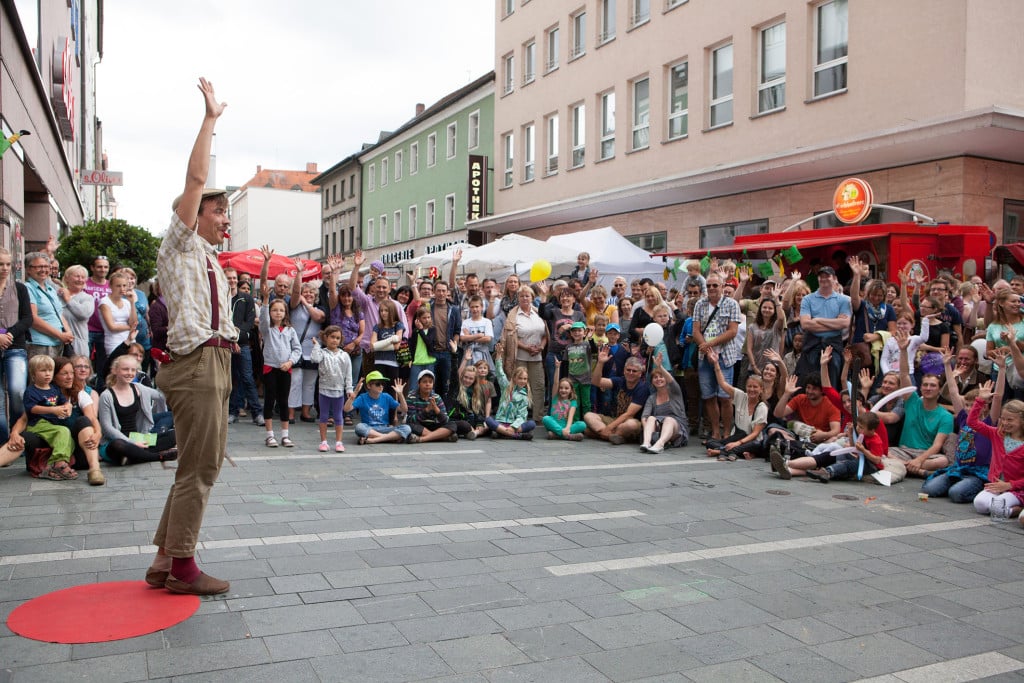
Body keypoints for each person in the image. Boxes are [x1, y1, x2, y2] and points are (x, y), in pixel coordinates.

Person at [145, 78, 238, 596]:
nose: (225, 219)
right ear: (194, 213)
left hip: (214, 364)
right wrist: (210, 120)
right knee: (200, 468)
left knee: (199, 465)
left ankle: (164, 560)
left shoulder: (207, 258)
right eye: (218, 210)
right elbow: (196, 174)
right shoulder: (179, 244)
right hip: (196, 363)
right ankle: (182, 568)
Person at [98, 354, 177, 466]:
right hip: (117, 442)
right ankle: (158, 456)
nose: (129, 373)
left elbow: (161, 396)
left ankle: (132, 457)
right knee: (118, 445)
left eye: (133, 370)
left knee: (174, 435)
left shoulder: (139, 388)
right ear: (115, 370)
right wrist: (132, 442)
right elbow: (107, 428)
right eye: (125, 369)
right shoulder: (106, 396)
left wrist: (163, 372)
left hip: (139, 437)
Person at [693, 273, 743, 442]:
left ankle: (727, 433)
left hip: (725, 356)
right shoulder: (700, 304)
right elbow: (696, 331)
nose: (712, 289)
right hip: (704, 356)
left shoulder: (731, 304)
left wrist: (710, 344)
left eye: (715, 285)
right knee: (708, 396)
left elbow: (733, 331)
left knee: (725, 396)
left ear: (722, 286)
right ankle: (715, 432)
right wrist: (707, 350)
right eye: (709, 286)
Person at [969, 384, 1024, 520]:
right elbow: (972, 422)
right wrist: (980, 400)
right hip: (996, 485)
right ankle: (1008, 508)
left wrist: (1009, 485)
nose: (1005, 423)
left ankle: (1017, 510)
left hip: (1017, 488)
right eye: (1003, 418)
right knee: (980, 504)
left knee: (997, 508)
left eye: (1010, 420)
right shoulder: (997, 434)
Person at [704, 349, 768, 461]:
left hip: (750, 440)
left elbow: (755, 434)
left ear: (761, 389)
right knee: (710, 442)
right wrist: (716, 363)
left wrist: (737, 443)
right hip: (737, 436)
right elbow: (723, 384)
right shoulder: (741, 396)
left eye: (755, 387)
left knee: (755, 445)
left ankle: (721, 451)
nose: (751, 390)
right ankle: (733, 452)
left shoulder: (762, 407)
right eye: (749, 386)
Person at [259, 286, 301, 448]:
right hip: (270, 368)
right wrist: (264, 300)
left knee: (284, 401)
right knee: (269, 400)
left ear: (285, 313)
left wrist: (290, 361)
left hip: (285, 369)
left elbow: (297, 349)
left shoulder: (290, 330)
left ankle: (285, 435)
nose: (277, 313)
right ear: (270, 312)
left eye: (281, 310)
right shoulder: (267, 330)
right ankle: (270, 435)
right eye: (274, 310)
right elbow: (262, 318)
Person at [22, 354, 76, 480]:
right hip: (37, 424)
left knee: (70, 440)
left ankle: (54, 465)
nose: (47, 374)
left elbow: (64, 401)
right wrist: (53, 410)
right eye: (43, 370)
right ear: (33, 374)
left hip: (51, 425)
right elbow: (32, 408)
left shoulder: (54, 389)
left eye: (50, 370)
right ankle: (58, 463)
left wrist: (68, 407)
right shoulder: (31, 391)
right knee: (63, 431)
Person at [500, 284, 547, 420]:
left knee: (538, 386)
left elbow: (545, 334)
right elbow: (511, 337)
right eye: (521, 296)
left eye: (527, 295)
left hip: (537, 356)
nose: (524, 298)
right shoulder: (513, 315)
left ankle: (538, 417)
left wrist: (541, 347)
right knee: (518, 387)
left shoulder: (538, 313)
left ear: (532, 297)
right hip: (519, 356)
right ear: (518, 298)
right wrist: (526, 347)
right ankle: (519, 416)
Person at [0, 248, 32, 444]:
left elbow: (28, 318)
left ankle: (17, 435)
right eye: (0, 264)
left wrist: (9, 333)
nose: (4, 268)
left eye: (7, 264)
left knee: (18, 391)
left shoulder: (20, 288)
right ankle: (3, 441)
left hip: (15, 345)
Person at [287, 264, 326, 423]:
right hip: (296, 350)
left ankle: (305, 412)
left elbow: (318, 318)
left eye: (311, 292)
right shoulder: (295, 305)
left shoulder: (319, 308)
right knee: (295, 382)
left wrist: (306, 302)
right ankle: (290, 413)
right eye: (306, 292)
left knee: (309, 384)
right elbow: (295, 293)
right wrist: (299, 274)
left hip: (313, 351)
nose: (309, 294)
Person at [584, 351, 649, 445]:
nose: (630, 373)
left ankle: (601, 434)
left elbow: (629, 414)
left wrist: (609, 427)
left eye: (634, 371)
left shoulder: (642, 388)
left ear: (640, 374)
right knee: (588, 415)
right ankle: (613, 436)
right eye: (628, 370)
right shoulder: (620, 381)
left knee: (631, 425)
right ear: (624, 370)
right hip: (614, 419)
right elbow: (596, 382)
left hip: (629, 422)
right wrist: (600, 363)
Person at [225, 267, 262, 425]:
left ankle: (257, 413)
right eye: (229, 278)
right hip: (226, 344)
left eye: (234, 278)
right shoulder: (221, 298)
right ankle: (232, 411)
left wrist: (237, 337)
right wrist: (231, 340)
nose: (232, 281)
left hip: (243, 344)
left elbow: (250, 321)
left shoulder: (246, 298)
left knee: (247, 377)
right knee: (231, 379)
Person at [806, 412, 887, 483]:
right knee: (843, 454)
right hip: (861, 458)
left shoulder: (876, 441)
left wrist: (863, 450)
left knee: (850, 464)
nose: (858, 428)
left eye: (861, 427)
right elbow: (854, 449)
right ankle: (825, 465)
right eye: (858, 426)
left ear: (872, 430)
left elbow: (877, 460)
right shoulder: (863, 434)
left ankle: (828, 472)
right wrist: (851, 435)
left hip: (871, 465)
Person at [25, 251, 74, 360]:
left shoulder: (51, 288)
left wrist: (68, 332)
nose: (43, 270)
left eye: (46, 266)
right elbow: (33, 319)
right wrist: (60, 335)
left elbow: (59, 313)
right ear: (28, 269)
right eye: (39, 267)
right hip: (40, 343)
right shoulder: (28, 288)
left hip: (58, 342)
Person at [310, 325, 353, 452]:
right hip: (324, 389)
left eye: (338, 338)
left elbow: (348, 374)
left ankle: (339, 442)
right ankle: (323, 441)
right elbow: (314, 359)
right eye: (332, 337)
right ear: (326, 338)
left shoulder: (344, 355)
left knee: (339, 416)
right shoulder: (322, 353)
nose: (335, 340)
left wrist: (349, 389)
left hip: (339, 391)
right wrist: (316, 346)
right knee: (323, 416)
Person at [485, 345, 536, 440]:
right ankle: (516, 436)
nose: (522, 381)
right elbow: (500, 373)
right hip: (501, 421)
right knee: (488, 420)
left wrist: (513, 427)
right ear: (515, 378)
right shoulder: (506, 387)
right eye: (520, 378)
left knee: (532, 424)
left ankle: (503, 433)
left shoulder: (525, 396)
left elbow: (522, 416)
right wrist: (499, 355)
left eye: (525, 379)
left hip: (515, 424)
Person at [346, 373, 411, 444]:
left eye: (382, 384)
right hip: (370, 428)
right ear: (368, 386)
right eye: (377, 384)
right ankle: (388, 438)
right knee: (359, 427)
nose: (381, 386)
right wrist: (354, 393)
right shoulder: (362, 398)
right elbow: (346, 409)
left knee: (407, 428)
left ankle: (374, 440)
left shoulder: (386, 396)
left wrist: (400, 394)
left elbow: (404, 410)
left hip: (385, 428)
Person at [639, 367, 688, 453]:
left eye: (661, 376)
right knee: (650, 418)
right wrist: (648, 430)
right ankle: (646, 443)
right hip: (659, 428)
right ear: (652, 382)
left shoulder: (675, 392)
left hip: (677, 428)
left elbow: (672, 381)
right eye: (655, 377)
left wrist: (659, 366)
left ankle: (660, 444)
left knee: (668, 419)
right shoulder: (651, 398)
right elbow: (644, 417)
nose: (658, 379)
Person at [405, 369, 457, 443]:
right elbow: (411, 419)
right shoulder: (411, 397)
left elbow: (445, 420)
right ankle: (440, 437)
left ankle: (422, 439)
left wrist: (436, 409)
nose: (427, 384)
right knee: (409, 426)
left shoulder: (437, 397)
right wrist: (426, 410)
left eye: (430, 382)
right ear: (418, 383)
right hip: (420, 426)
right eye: (424, 382)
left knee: (452, 425)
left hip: (434, 425)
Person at [449, 355, 492, 439]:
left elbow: (478, 412)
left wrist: (479, 423)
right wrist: (455, 354)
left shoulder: (475, 391)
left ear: (474, 380)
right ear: (462, 377)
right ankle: (474, 432)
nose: (467, 380)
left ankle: (474, 433)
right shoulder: (456, 388)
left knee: (489, 423)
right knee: (465, 425)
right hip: (458, 420)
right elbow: (454, 374)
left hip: (471, 421)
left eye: (471, 378)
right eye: (466, 377)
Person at [58, 264, 95, 358]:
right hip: (57, 341)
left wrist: (68, 299)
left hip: (78, 343)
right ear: (67, 278)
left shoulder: (87, 298)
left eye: (83, 277)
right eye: (77, 276)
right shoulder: (57, 295)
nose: (80, 279)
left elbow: (83, 314)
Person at [84, 255, 112, 381]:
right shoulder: (84, 283)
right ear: (92, 268)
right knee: (84, 363)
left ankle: (100, 391)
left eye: (105, 267)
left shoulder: (112, 286)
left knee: (104, 365)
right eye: (99, 266)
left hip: (106, 331)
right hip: (87, 329)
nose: (102, 269)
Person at [543, 363, 585, 441]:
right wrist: (557, 368)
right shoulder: (555, 397)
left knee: (582, 424)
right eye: (561, 388)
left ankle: (557, 435)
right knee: (546, 418)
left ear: (571, 390)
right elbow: (555, 383)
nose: (563, 390)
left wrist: (567, 428)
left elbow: (570, 417)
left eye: (566, 388)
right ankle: (568, 436)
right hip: (554, 425)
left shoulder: (573, 402)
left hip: (566, 427)